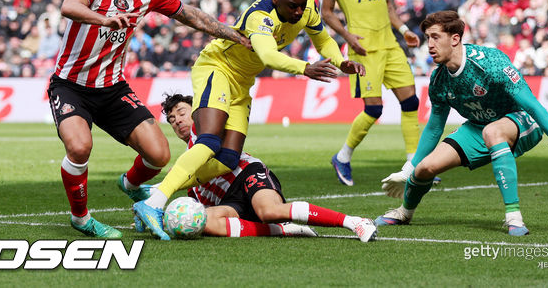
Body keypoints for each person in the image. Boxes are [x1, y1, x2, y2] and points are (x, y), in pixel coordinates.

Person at [47, 0, 250, 239]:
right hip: (71, 85)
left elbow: (192, 16)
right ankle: (81, 218)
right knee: (79, 146)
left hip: (112, 88)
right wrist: (103, 19)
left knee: (159, 155)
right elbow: (69, 6)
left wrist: (234, 34)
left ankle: (130, 184)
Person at [133, 0, 365, 240]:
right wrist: (305, 68)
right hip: (217, 68)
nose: (299, 11)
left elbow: (322, 39)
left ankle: (157, 190)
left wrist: (340, 61)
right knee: (209, 141)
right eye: (292, 6)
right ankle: (155, 202)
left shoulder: (307, 6)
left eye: (302, 5)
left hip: (242, 82)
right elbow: (268, 55)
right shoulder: (260, 17)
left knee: (228, 158)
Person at [376, 11, 548, 235]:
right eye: (427, 38)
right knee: (425, 168)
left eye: (435, 37)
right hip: (479, 126)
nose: (430, 45)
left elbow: (533, 105)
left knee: (493, 132)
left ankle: (514, 217)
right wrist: (408, 169)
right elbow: (434, 128)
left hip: (521, 119)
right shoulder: (439, 79)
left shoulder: (490, 63)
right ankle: (404, 212)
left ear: (455, 39)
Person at [145, 93, 377, 242]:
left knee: (270, 211)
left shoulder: (205, 130)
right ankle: (283, 229)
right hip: (230, 203)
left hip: (246, 174)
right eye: (172, 120)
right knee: (203, 222)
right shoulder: (187, 163)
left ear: (195, 111)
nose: (177, 120)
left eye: (181, 113)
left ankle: (354, 222)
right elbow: (196, 206)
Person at [321, 0, 424, 187]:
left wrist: (404, 30)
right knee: (374, 109)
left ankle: (413, 166)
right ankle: (342, 157)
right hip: (363, 49)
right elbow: (326, 12)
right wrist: (347, 36)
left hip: (390, 45)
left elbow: (387, 5)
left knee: (411, 103)